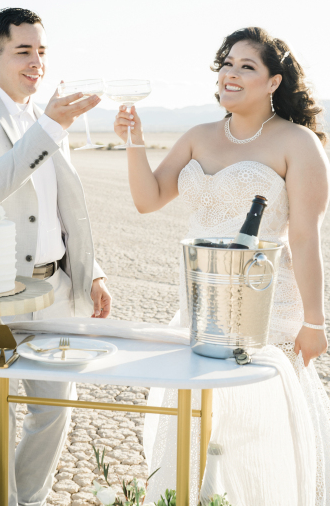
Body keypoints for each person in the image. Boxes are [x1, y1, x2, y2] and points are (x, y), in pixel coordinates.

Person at [114, 27, 330, 505]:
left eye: (246, 67)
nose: (231, 74)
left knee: (253, 431)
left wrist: (315, 322)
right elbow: (148, 199)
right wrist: (134, 141)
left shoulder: (297, 143)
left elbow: (305, 240)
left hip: (267, 307)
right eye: (227, 64)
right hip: (200, 304)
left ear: (274, 82)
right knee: (196, 427)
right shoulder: (198, 136)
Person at [0, 7, 112, 506]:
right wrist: (52, 125)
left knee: (55, 406)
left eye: (41, 52)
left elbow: (61, 203)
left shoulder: (45, 116)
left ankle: (29, 500)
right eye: (22, 52)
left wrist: (90, 270)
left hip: (54, 288)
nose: (35, 62)